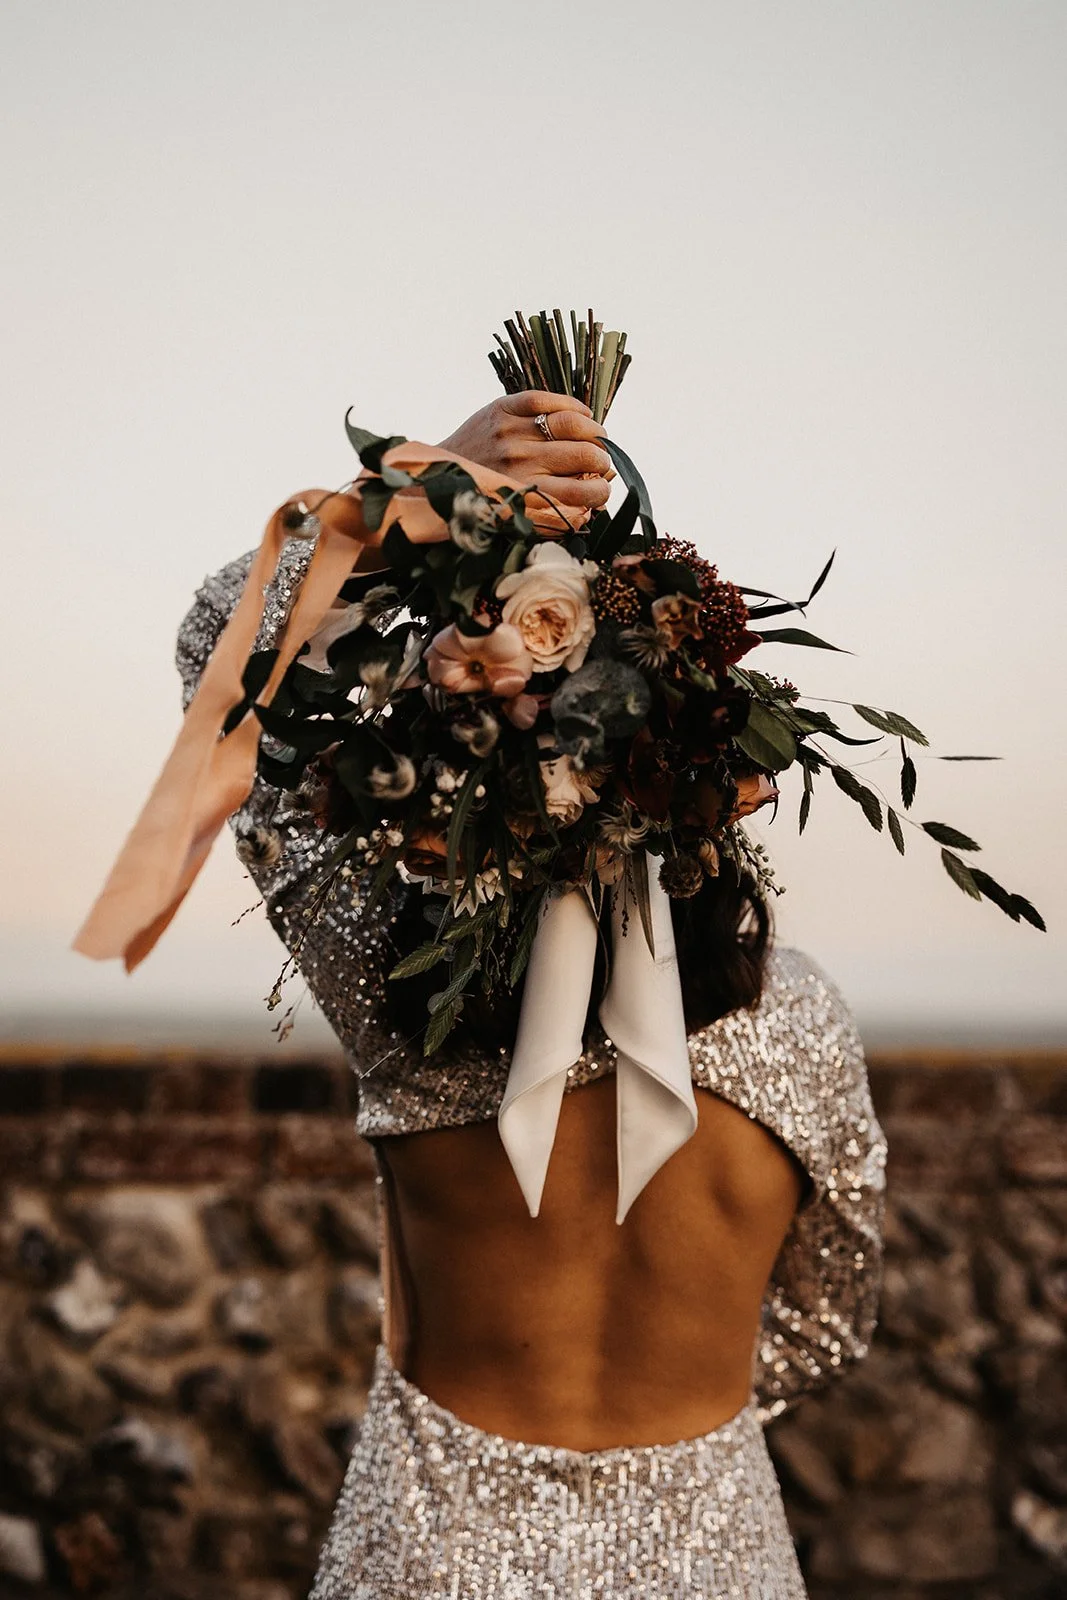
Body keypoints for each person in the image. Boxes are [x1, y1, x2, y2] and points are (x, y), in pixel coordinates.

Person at [175, 390, 886, 1600]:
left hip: (431, 1557)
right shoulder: (801, 1022)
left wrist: (427, 496)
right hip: (712, 1560)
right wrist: (674, 1454)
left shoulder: (397, 989)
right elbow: (824, 1328)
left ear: (458, 770)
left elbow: (221, 654)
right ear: (707, 767)